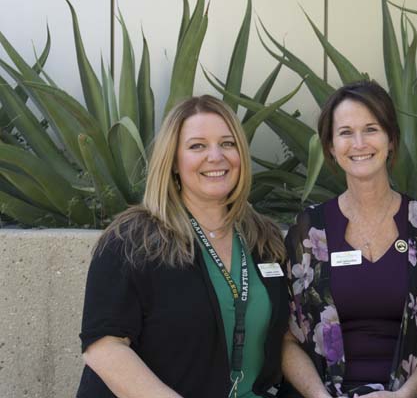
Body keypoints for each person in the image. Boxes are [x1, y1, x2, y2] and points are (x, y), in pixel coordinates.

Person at [77, 95, 288, 397]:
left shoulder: (263, 238)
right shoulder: (131, 240)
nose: (215, 156)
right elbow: (104, 347)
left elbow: (284, 338)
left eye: (227, 144)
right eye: (197, 146)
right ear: (173, 161)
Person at [280, 80, 417, 397]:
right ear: (331, 147)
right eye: (346, 133)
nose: (359, 143)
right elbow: (287, 337)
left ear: (391, 139)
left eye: (371, 129)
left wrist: (404, 395)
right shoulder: (308, 229)